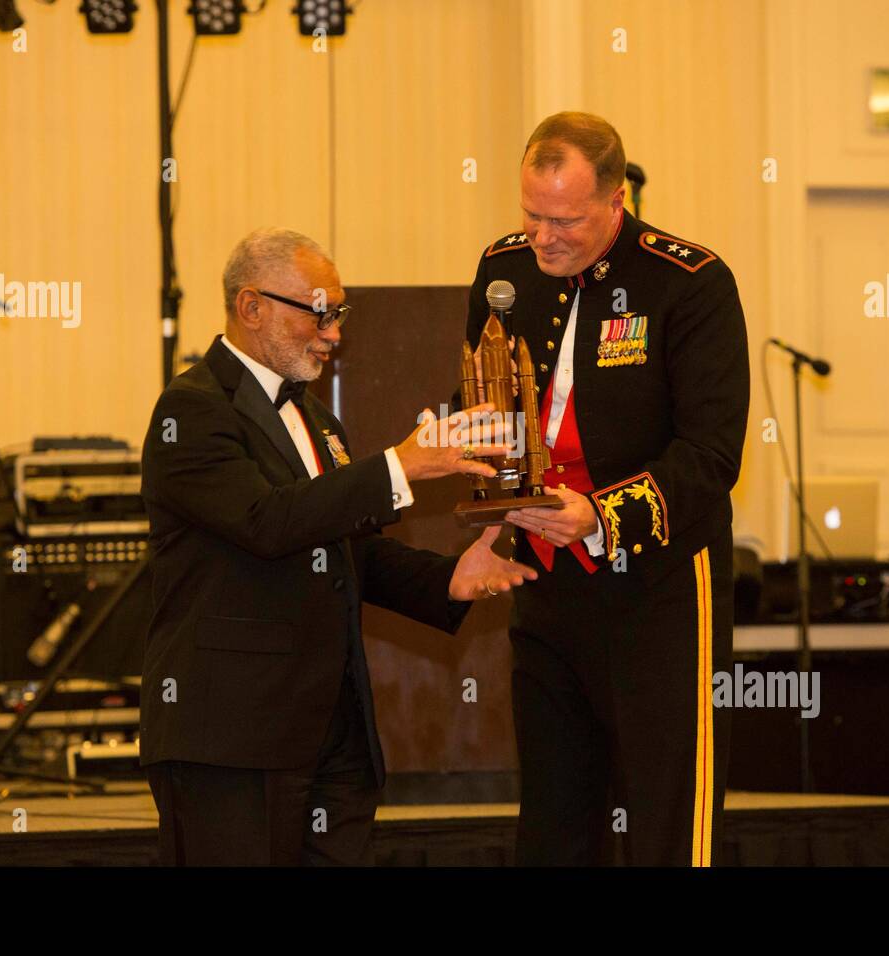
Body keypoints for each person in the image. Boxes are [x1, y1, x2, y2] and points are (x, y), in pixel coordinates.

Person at [141, 227, 535, 866]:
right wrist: (399, 466)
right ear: (252, 307)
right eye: (320, 312)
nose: (335, 333)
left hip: (333, 739)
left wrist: (449, 579)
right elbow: (265, 522)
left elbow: (351, 554)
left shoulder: (318, 419)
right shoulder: (190, 410)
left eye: (339, 313)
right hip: (230, 742)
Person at [464, 112, 750, 866]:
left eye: (565, 219)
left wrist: (601, 517)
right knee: (554, 817)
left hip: (657, 588)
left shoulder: (690, 283)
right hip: (546, 585)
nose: (544, 236)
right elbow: (485, 410)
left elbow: (711, 456)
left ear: (617, 201)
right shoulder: (502, 269)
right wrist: (491, 519)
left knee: (666, 816)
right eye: (531, 214)